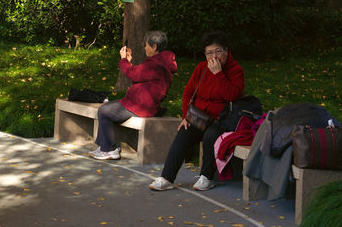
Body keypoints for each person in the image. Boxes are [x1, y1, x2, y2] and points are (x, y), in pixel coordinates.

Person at [150, 30, 244, 191]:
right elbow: (188, 92)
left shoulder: (235, 70)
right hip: (200, 117)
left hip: (222, 120)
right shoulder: (202, 67)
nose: (213, 57)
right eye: (209, 53)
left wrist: (219, 74)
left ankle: (206, 177)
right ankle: (167, 177)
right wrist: (186, 117)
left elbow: (232, 96)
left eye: (218, 51)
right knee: (183, 132)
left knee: (210, 136)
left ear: (227, 51)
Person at [90, 30, 177, 161]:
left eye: (146, 45)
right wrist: (129, 62)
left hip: (140, 106)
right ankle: (104, 146)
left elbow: (133, 74)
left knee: (104, 111)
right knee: (106, 108)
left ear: (154, 47)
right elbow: (140, 75)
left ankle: (109, 149)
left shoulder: (154, 64)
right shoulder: (162, 62)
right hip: (142, 103)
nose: (144, 48)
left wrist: (124, 60)